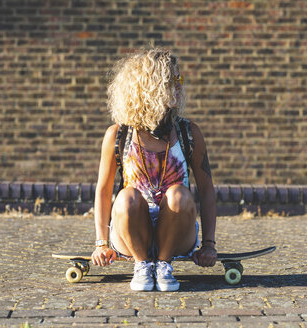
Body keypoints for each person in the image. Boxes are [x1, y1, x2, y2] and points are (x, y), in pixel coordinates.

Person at [91, 48, 217, 292]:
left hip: (178, 229)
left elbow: (207, 190)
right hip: (130, 229)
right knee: (127, 197)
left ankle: (163, 264)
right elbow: (104, 191)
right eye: (173, 80)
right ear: (151, 88)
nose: (180, 85)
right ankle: (142, 265)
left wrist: (209, 245)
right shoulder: (118, 135)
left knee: (179, 194)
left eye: (180, 79)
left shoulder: (189, 133)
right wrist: (100, 243)